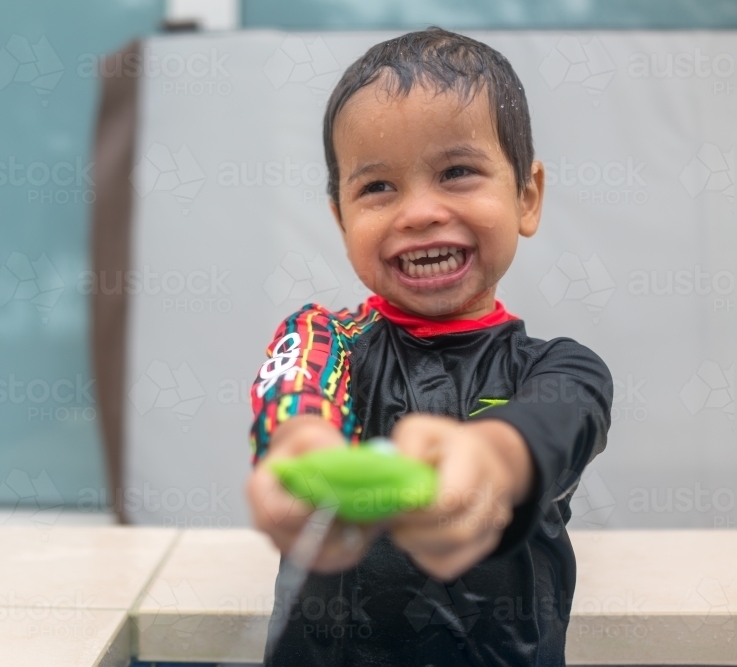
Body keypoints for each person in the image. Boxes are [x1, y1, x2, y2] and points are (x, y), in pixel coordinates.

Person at [245, 27, 613, 667]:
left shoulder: (563, 368)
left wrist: (491, 463)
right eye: (378, 188)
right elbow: (297, 403)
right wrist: (300, 457)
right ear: (341, 219)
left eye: (458, 172)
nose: (418, 212)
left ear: (527, 196)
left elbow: (552, 427)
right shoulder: (324, 337)